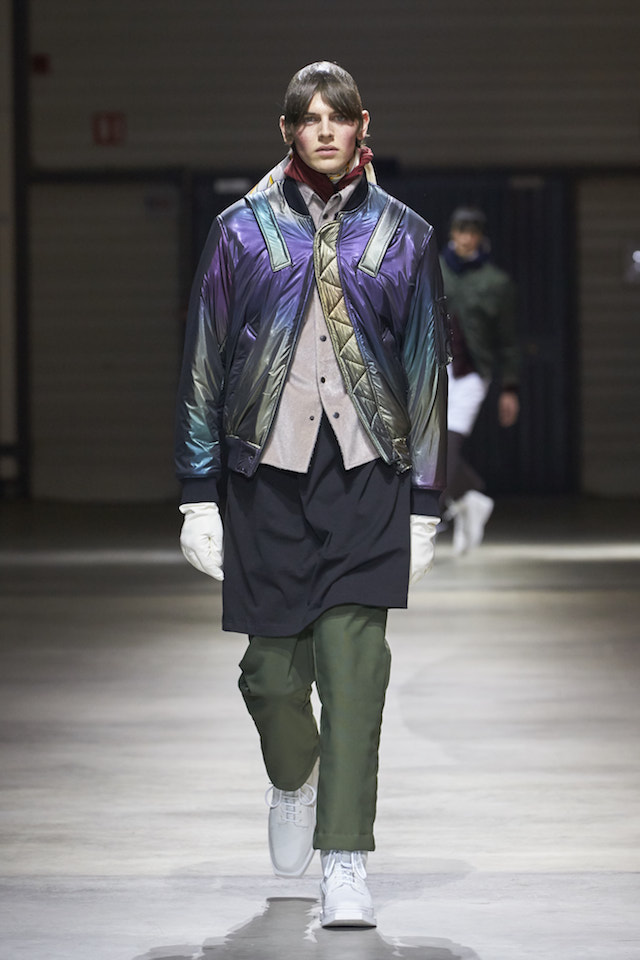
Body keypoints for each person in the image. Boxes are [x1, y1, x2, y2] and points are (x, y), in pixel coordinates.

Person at [174, 61, 450, 928]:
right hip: (266, 473)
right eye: (309, 118)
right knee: (271, 673)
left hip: (368, 474)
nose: (324, 130)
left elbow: (425, 370)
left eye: (338, 116)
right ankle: (295, 779)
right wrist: (197, 494)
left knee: (355, 669)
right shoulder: (240, 231)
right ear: (288, 131)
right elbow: (205, 358)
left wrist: (427, 502)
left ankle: (346, 860)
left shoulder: (404, 235)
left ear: (363, 125)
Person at [439, 206, 519, 555]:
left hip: (472, 374)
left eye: (473, 232)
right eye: (461, 231)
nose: (466, 238)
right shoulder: (433, 269)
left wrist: (510, 388)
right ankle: (470, 498)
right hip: (434, 369)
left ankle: (443, 507)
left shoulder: (496, 283)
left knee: (446, 446)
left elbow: (508, 340)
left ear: (480, 236)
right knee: (429, 447)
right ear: (452, 233)